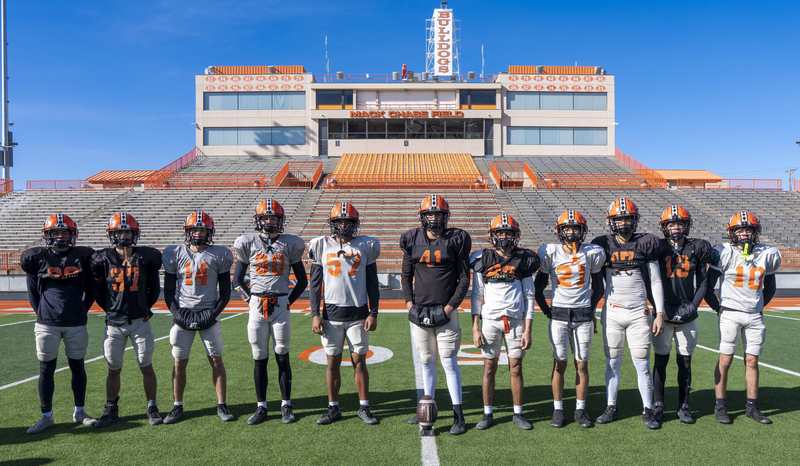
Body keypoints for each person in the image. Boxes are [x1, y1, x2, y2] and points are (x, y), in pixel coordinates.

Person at [591, 197, 665, 430]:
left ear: (635, 220)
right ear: (611, 221)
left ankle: (648, 408)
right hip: (612, 311)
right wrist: (592, 309)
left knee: (642, 362)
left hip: (638, 312)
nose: (623, 223)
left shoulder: (646, 242)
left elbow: (655, 279)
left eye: (627, 218)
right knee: (612, 362)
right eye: (619, 218)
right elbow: (595, 283)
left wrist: (660, 312)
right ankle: (611, 406)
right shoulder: (601, 244)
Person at [233, 198, 308, 425]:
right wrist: (251, 301)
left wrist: (287, 302)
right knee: (259, 357)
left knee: (282, 355)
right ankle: (261, 406)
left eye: (273, 217)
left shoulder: (289, 244)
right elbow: (237, 280)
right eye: (266, 217)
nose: (270, 221)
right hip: (257, 304)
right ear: (258, 220)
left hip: (280, 305)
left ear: (280, 220)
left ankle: (286, 404)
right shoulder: (248, 242)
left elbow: (303, 281)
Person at [401, 194, 471, 435]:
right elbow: (405, 275)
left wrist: (450, 307)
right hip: (419, 311)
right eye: (430, 214)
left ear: (446, 216)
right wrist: (410, 304)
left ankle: (458, 415)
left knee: (449, 361)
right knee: (425, 360)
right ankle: (426, 406)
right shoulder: (412, 239)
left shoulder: (456, 239)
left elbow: (464, 279)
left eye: (438, 214)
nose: (434, 218)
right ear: (423, 217)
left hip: (446, 311)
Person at [22, 213, 96, 434]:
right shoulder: (38, 257)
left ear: (72, 234)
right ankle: (46, 416)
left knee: (77, 366)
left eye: (64, 232)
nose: (61, 236)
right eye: (56, 232)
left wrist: (82, 309)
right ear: (48, 235)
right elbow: (33, 292)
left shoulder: (82, 256)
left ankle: (80, 411)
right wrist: (42, 313)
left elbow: (91, 289)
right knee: (46, 369)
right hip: (47, 323)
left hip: (76, 322)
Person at [308, 201, 381, 426]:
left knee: (360, 361)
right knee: (332, 362)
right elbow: (315, 283)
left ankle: (364, 406)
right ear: (332, 223)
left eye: (348, 222)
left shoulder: (365, 245)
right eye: (339, 222)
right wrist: (314, 313)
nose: (344, 226)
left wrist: (374, 312)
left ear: (355, 224)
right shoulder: (321, 245)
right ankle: (333, 407)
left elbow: (372, 282)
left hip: (358, 313)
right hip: (330, 313)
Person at [705, 211, 781, 425]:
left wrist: (757, 307)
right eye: (740, 229)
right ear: (732, 232)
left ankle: (752, 407)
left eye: (748, 229)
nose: (744, 233)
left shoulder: (767, 254)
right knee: (726, 359)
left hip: (754, 316)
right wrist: (718, 309)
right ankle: (720, 405)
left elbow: (771, 288)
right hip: (730, 313)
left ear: (755, 232)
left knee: (752, 360)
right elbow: (709, 287)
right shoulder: (725, 252)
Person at [92, 212, 164, 427]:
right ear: (112, 235)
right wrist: (113, 310)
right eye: (120, 232)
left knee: (146, 365)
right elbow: (99, 292)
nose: (124, 236)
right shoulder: (103, 258)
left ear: (135, 234)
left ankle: (152, 406)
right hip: (114, 323)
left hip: (140, 321)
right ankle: (111, 407)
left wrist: (143, 308)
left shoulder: (145, 257)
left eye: (127, 232)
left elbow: (153, 289)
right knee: (113, 368)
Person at [161, 210, 233, 424]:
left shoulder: (219, 254)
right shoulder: (175, 253)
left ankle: (221, 404)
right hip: (183, 313)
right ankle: (177, 405)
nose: (198, 234)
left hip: (208, 313)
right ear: (188, 231)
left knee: (216, 360)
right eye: (194, 229)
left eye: (201, 230)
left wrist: (213, 314)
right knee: (179, 363)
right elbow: (168, 291)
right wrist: (177, 314)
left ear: (209, 231)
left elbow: (226, 292)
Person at [535, 209, 605, 428]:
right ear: (559, 230)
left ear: (582, 230)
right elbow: (539, 287)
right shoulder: (551, 252)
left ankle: (580, 409)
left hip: (583, 315)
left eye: (575, 227)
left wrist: (590, 308)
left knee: (582, 364)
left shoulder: (592, 253)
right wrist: (548, 311)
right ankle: (558, 409)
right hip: (560, 314)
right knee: (560, 363)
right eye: (567, 228)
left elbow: (599, 287)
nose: (571, 232)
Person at [470, 214, 537, 430]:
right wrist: (475, 326)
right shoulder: (483, 258)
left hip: (516, 321)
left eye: (508, 233)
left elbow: (529, 296)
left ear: (515, 235)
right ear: (493, 235)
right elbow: (477, 294)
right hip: (490, 320)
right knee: (489, 367)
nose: (504, 237)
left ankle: (518, 412)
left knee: (515, 367)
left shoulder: (523, 259)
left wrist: (528, 328)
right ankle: (488, 413)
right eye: (500, 232)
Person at [652, 205, 712, 424]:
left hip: (687, 312)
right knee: (660, 361)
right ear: (664, 226)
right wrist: (658, 307)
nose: (675, 227)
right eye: (671, 223)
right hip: (664, 312)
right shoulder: (657, 247)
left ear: (687, 226)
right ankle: (659, 405)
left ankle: (684, 405)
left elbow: (704, 281)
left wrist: (694, 306)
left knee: (685, 362)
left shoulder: (696, 247)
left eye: (679, 223)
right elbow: (651, 281)